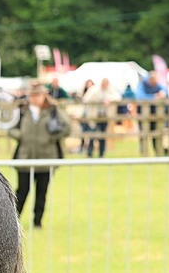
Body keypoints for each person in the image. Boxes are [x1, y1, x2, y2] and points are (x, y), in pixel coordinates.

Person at [9, 82, 70, 228]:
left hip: (46, 158)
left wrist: (52, 138)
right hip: (26, 158)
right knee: (22, 191)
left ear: (44, 95)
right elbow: (10, 128)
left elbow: (67, 127)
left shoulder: (53, 110)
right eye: (32, 95)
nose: (33, 98)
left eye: (37, 95)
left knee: (41, 193)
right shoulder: (23, 110)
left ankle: (37, 222)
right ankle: (13, 223)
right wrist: (21, 135)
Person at [82, 78, 116, 158]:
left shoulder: (110, 90)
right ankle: (89, 153)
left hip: (104, 115)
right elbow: (86, 99)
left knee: (103, 136)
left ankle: (101, 154)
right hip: (94, 116)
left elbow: (118, 96)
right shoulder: (94, 90)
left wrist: (109, 100)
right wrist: (96, 101)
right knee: (92, 134)